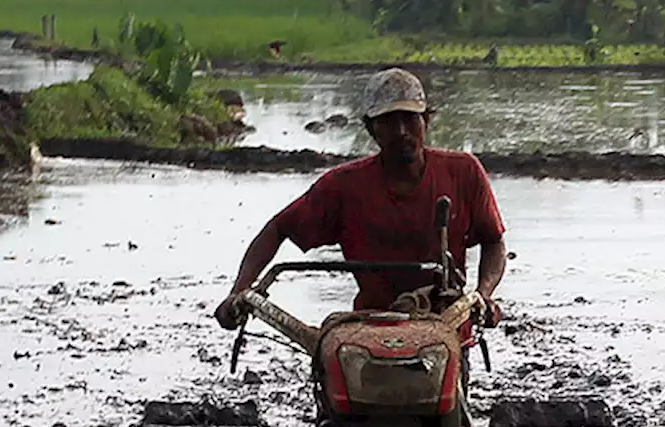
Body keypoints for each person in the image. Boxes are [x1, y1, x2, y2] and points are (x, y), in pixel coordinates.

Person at [213, 67, 507, 330]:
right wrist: (239, 291)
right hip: (369, 327)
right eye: (389, 122)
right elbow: (278, 229)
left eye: (409, 119)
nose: (401, 131)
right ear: (371, 129)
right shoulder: (344, 187)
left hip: (444, 327)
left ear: (426, 121)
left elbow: (493, 240)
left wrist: (483, 294)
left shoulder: (463, 173)